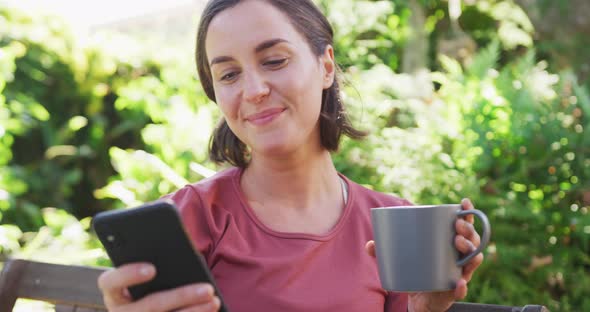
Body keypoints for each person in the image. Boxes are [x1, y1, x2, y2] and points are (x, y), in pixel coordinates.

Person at [97, 0, 484, 311]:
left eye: (274, 61)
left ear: (326, 65)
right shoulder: (191, 218)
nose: (253, 89)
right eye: (229, 75)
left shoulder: (391, 223)